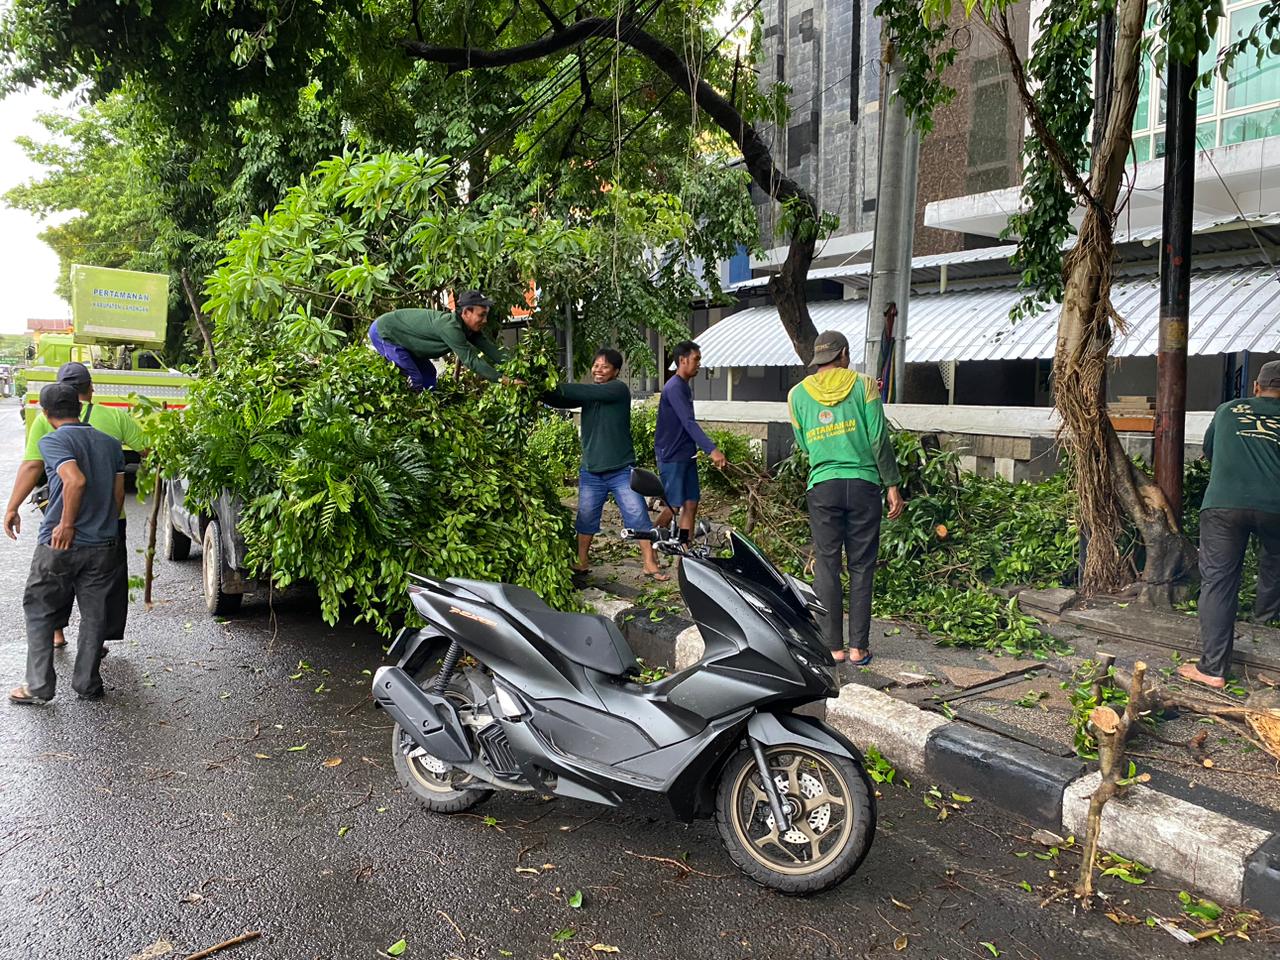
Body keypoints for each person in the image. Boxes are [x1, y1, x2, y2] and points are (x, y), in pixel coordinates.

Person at [5, 361, 147, 652]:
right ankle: (96, 641)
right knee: (101, 585)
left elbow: (32, 465)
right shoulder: (115, 418)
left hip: (61, 519)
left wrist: (12, 506)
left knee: (58, 576)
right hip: (108, 521)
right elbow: (147, 448)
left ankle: (57, 631)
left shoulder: (47, 421)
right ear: (90, 389)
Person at [787, 330, 904, 679]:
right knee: (862, 565)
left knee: (826, 564)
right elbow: (878, 437)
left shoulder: (797, 395)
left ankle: (833, 646)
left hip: (823, 485)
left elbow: (804, 444)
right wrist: (893, 484)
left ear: (818, 360)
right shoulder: (865, 385)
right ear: (844, 355)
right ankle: (858, 648)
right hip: (865, 484)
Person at [9, 382, 125, 704]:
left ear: (45, 415)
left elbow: (75, 480)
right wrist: (105, 527)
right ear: (79, 406)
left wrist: (67, 524)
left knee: (40, 608)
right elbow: (117, 496)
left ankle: (38, 686)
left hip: (60, 544)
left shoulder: (52, 441)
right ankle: (87, 683)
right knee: (94, 614)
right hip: (104, 544)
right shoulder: (110, 444)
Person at [1179, 360, 1280, 690]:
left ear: (1256, 387)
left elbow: (1210, 451)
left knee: (1219, 581)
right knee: (1275, 568)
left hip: (1224, 503)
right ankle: (1266, 633)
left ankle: (1212, 668)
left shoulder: (1228, 410)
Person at [544, 348, 668, 582]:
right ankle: (582, 562)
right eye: (596, 365)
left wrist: (549, 385)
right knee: (586, 517)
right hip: (591, 471)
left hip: (621, 470)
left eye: (605, 366)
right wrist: (537, 389)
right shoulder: (590, 395)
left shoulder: (617, 390)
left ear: (616, 371)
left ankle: (650, 563)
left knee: (637, 514)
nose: (598, 370)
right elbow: (557, 398)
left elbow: (577, 390)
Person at [368, 290, 519, 391]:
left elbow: (491, 350)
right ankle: (411, 416)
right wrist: (505, 380)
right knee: (416, 378)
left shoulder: (469, 329)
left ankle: (429, 414)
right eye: (481, 315)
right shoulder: (450, 327)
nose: (485, 320)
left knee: (428, 374)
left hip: (402, 339)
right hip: (384, 332)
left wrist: (517, 366)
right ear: (466, 312)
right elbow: (472, 361)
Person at [654, 341, 726, 541]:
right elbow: (688, 422)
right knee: (674, 505)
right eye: (696, 359)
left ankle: (685, 547)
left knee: (691, 503)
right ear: (682, 360)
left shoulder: (683, 386)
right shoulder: (674, 387)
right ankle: (649, 541)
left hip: (686, 454)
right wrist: (712, 450)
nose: (699, 364)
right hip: (672, 455)